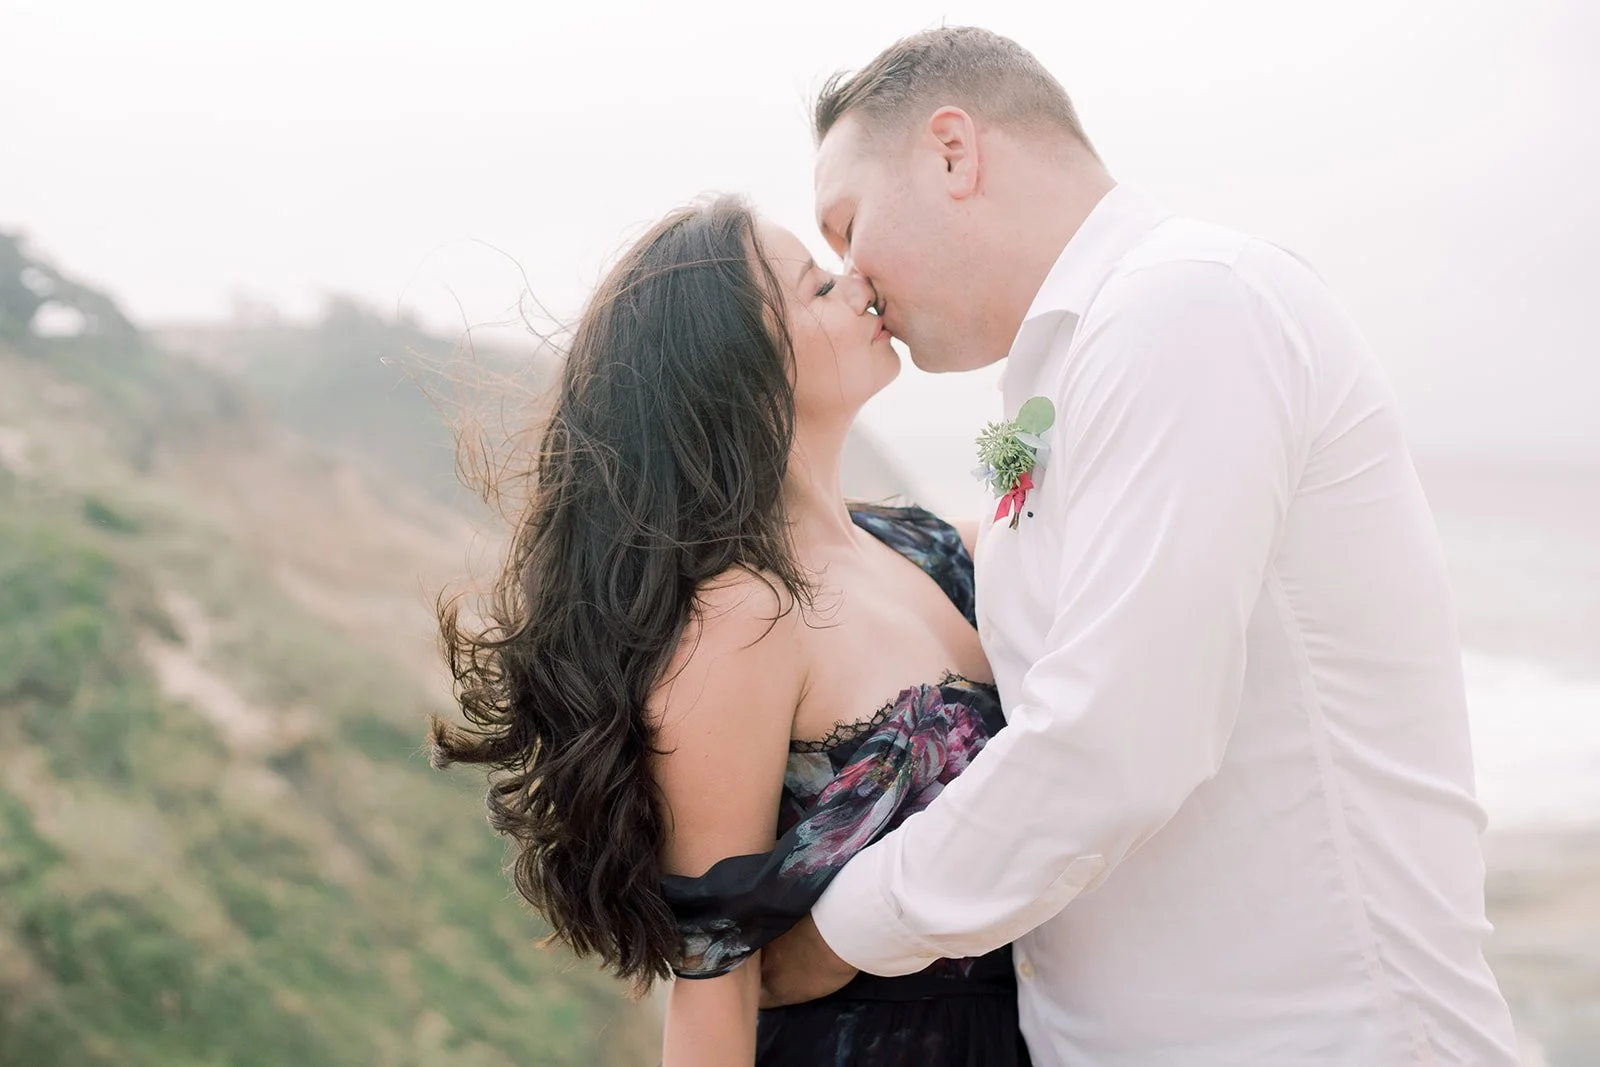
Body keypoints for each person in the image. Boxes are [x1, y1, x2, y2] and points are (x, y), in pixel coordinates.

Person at [758, 25, 1521, 1067]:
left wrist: (836, 934)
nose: (855, 279)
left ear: (951, 151)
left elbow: (1116, 738)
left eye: (848, 226)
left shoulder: (1187, 304)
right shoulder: (1067, 373)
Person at [432, 195, 1031, 1064]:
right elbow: (715, 987)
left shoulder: (917, 545)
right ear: (738, 370)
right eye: (818, 287)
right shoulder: (738, 621)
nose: (859, 283)